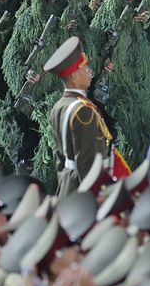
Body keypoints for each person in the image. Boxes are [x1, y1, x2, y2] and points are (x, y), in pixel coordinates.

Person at [44, 36, 113, 196]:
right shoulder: (83, 110)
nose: (90, 72)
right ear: (74, 75)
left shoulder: (59, 106)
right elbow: (87, 163)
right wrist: (97, 196)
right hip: (83, 192)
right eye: (85, 68)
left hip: (67, 185)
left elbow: (60, 159)